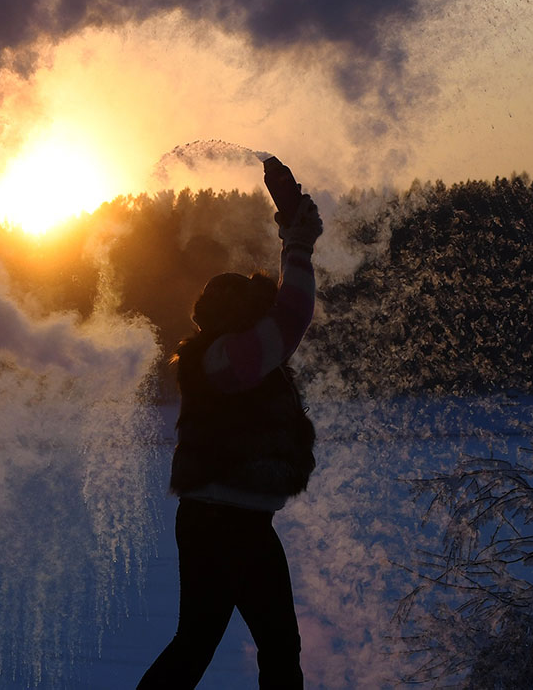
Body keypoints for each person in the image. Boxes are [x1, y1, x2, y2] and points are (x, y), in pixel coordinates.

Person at [137, 161, 323, 689]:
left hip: (241, 523)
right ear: (230, 314)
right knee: (197, 645)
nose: (259, 311)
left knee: (276, 646)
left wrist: (292, 226)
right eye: (249, 303)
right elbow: (291, 317)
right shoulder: (223, 357)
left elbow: (283, 318)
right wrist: (297, 242)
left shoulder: (238, 355)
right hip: (219, 524)